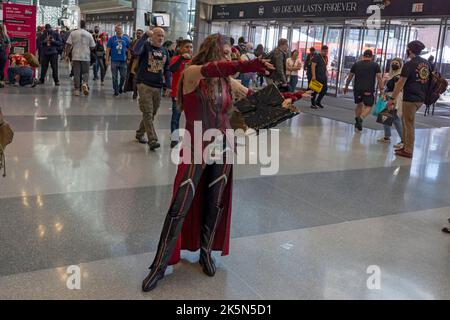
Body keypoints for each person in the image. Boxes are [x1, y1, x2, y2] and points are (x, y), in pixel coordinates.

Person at [141, 33, 273, 292]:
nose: (228, 57)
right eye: (224, 52)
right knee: (180, 206)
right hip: (194, 147)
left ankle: (206, 252)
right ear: (212, 51)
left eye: (230, 53)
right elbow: (216, 68)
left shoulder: (227, 80)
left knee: (215, 203)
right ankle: (160, 264)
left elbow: (254, 99)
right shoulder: (193, 73)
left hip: (224, 145)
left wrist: (288, 98)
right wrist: (245, 64)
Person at [387, 40, 431, 159]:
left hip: (410, 98)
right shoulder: (426, 63)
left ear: (410, 50)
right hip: (421, 97)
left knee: (408, 123)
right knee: (406, 121)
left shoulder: (410, 64)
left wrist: (392, 98)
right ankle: (405, 146)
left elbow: (400, 83)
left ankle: (408, 150)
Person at [134, 27, 171, 151]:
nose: (160, 38)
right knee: (148, 112)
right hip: (144, 84)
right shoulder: (146, 46)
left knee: (152, 113)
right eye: (158, 35)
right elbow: (136, 51)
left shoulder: (165, 51)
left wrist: (168, 86)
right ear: (152, 36)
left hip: (158, 86)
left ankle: (140, 133)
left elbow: (166, 70)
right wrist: (145, 36)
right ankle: (152, 139)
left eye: (162, 36)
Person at [344, 49, 383, 132]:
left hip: (357, 88)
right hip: (368, 89)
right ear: (372, 57)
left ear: (363, 55)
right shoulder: (375, 65)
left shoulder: (356, 64)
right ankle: (360, 119)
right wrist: (381, 89)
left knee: (359, 104)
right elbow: (379, 78)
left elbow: (350, 76)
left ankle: (358, 123)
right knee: (369, 105)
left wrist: (346, 86)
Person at [169, 39, 193, 149]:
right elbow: (172, 69)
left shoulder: (193, 60)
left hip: (190, 93)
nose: (189, 49)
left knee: (192, 117)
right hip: (177, 94)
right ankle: (174, 139)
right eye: (187, 47)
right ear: (181, 48)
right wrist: (182, 58)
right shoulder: (175, 59)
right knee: (176, 117)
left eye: (191, 47)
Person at [377, 58, 404, 148]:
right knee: (385, 117)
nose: (395, 64)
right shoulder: (390, 75)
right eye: (393, 63)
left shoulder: (399, 76)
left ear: (400, 65)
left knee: (395, 119)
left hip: (394, 98)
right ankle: (387, 137)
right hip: (388, 96)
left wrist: (393, 100)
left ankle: (403, 140)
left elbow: (397, 89)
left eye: (397, 63)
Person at [65, 20, 96, 96]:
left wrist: (66, 55)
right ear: (85, 25)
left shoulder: (73, 33)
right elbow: (93, 47)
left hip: (75, 56)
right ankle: (85, 84)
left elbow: (68, 45)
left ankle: (77, 90)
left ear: (78, 25)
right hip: (86, 56)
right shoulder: (89, 34)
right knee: (86, 72)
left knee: (76, 73)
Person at [106, 24, 130, 96]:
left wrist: (128, 58)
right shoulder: (111, 39)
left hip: (123, 60)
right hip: (114, 60)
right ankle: (116, 90)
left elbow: (129, 49)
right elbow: (108, 50)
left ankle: (120, 87)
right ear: (115, 30)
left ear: (122, 30)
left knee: (123, 76)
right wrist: (107, 60)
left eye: (120, 29)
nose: (119, 30)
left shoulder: (126, 39)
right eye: (117, 29)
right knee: (114, 76)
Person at [125, 29, 144, 99]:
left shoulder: (145, 43)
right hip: (134, 62)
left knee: (141, 80)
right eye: (137, 33)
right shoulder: (134, 41)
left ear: (142, 34)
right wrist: (129, 58)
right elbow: (130, 50)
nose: (138, 35)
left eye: (139, 33)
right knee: (134, 78)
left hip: (142, 63)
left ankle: (140, 92)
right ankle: (135, 92)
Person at [0, 24, 11, 88]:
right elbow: (9, 46)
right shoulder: (6, 36)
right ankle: (1, 82)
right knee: (1, 69)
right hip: (3, 55)